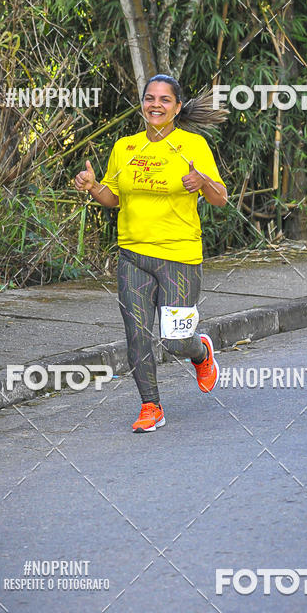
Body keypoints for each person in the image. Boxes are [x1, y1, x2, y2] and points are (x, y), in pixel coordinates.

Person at [74, 74, 228, 433]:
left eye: (164, 100)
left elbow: (220, 198)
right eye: (149, 98)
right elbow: (113, 199)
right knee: (137, 334)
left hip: (179, 257)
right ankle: (150, 406)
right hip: (132, 256)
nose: (155, 105)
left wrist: (203, 182)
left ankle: (201, 352)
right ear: (142, 104)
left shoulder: (194, 145)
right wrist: (93, 186)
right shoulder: (125, 147)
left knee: (175, 341)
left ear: (176, 108)